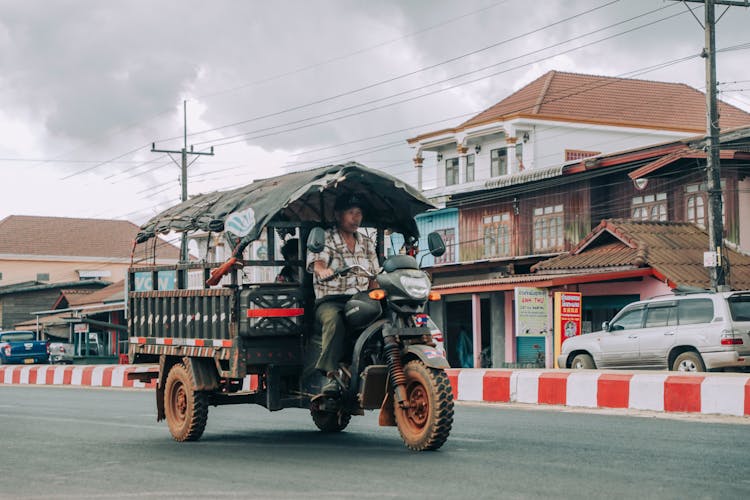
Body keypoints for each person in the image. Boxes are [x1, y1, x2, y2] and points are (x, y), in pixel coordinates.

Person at [306, 193, 379, 396]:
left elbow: (375, 274)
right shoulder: (326, 238)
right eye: (351, 213)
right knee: (334, 321)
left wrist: (377, 289)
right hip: (332, 300)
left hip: (361, 299)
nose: (356, 218)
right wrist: (323, 270)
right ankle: (330, 373)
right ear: (338, 215)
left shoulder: (365, 242)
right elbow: (318, 263)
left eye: (359, 214)